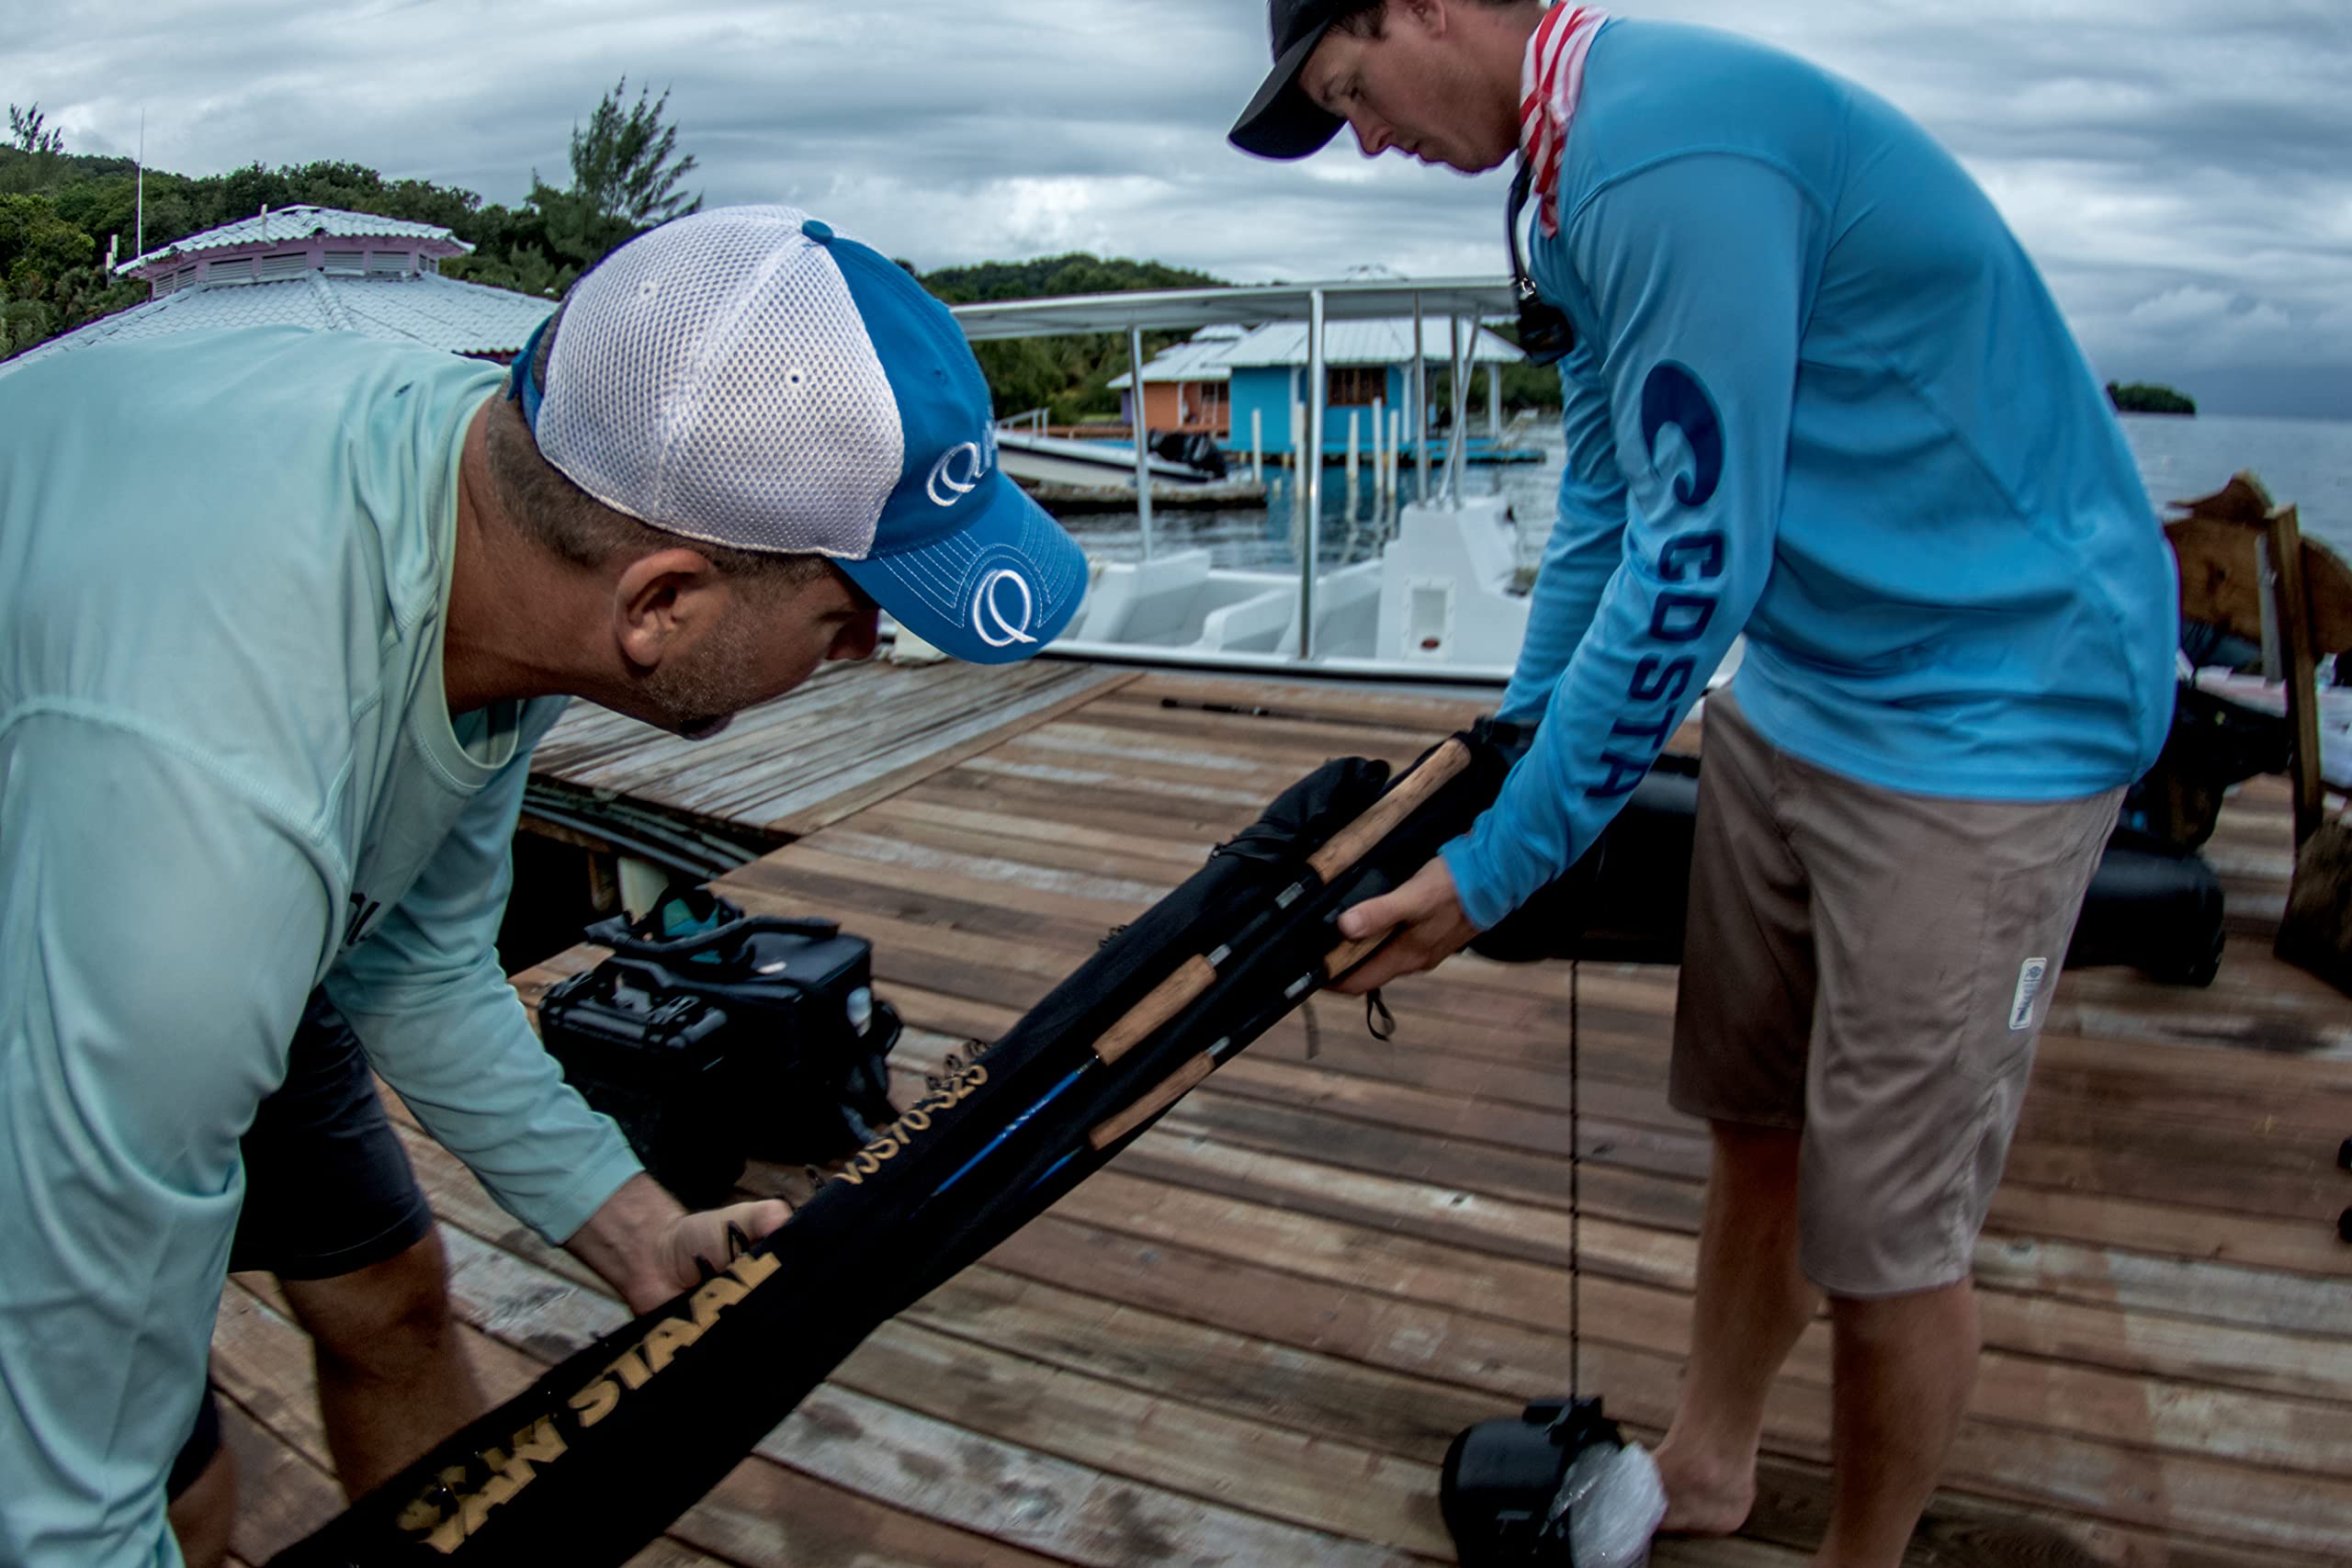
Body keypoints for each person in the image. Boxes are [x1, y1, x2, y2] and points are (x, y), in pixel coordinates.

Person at [0, 204, 1088, 1567]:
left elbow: (416, 960)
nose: (868, 651)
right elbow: (56, 1505)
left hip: (180, 810)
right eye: (850, 613)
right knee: (163, 1481)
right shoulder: (202, 848)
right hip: (86, 865)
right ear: (661, 608)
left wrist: (635, 1231)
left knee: (386, 1292)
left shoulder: (501, 503)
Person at [1230, 5, 2177, 1564]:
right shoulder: (1557, 184)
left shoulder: (1655, 151)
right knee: (1755, 1119)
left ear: (1423, 7)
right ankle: (1714, 1461)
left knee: (1883, 1242)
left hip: (1997, 704)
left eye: (1354, 92)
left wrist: (1494, 875)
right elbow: (1608, 492)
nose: (1370, 140)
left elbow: (1695, 561)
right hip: (1815, 681)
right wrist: (1511, 750)